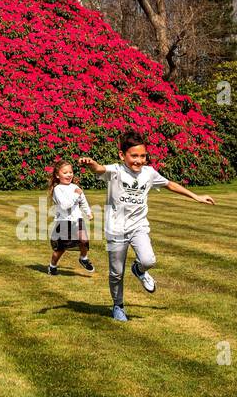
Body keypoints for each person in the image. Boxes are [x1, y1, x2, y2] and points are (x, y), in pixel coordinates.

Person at [77, 130, 216, 322]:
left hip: (138, 227)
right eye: (134, 156)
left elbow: (169, 184)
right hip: (116, 230)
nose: (139, 160)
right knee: (116, 273)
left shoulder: (149, 173)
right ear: (122, 155)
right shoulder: (116, 171)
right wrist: (92, 164)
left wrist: (197, 197)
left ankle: (139, 270)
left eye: (143, 156)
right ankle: (118, 306)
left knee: (148, 260)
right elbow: (100, 169)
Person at [46, 162, 94, 275]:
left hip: (77, 219)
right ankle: (52, 266)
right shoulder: (58, 189)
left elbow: (83, 201)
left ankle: (83, 258)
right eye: (65, 172)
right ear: (58, 175)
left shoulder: (75, 187)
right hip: (63, 222)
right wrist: (76, 195)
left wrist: (88, 212)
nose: (69, 175)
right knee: (60, 249)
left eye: (71, 172)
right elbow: (65, 205)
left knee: (84, 240)